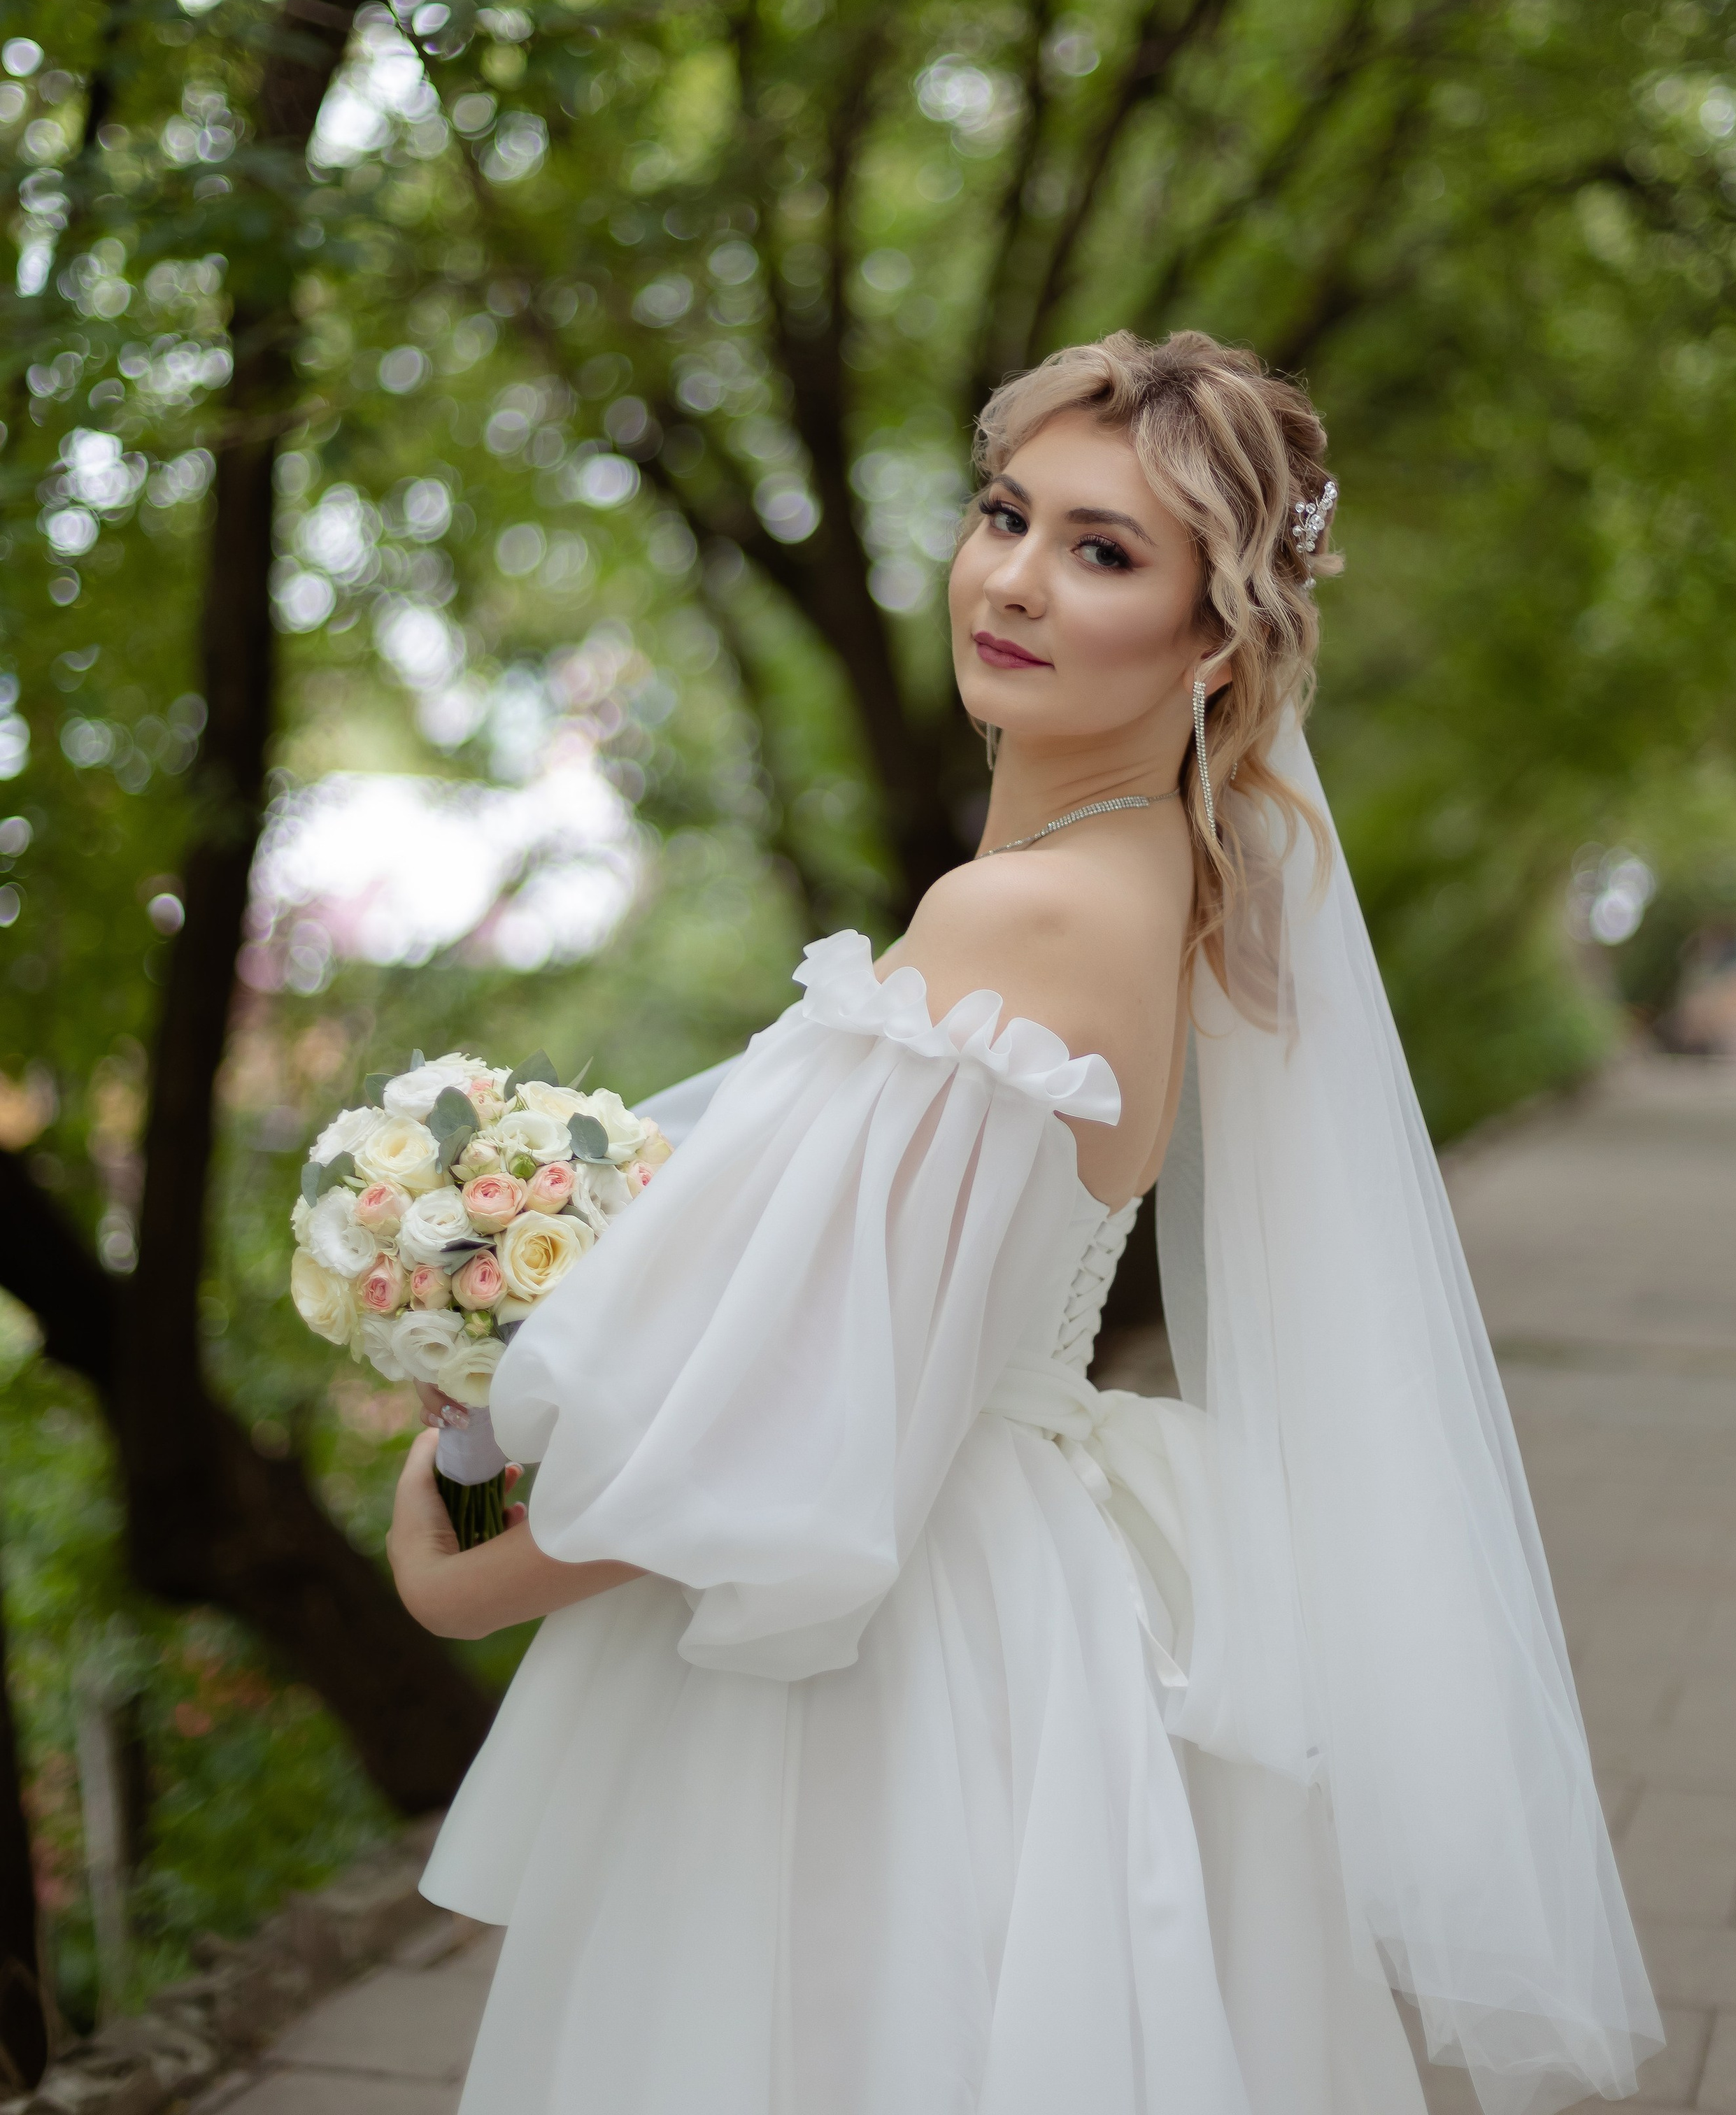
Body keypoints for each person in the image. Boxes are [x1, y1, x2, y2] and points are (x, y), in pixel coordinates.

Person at [388, 331, 1661, 2115]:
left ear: (1214, 639)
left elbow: (805, 1436)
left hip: (893, 1632)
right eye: (1007, 515)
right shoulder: (1160, 880)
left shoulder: (1023, 916)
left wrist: (462, 1569)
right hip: (1024, 1559)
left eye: (1104, 552)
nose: (1013, 579)